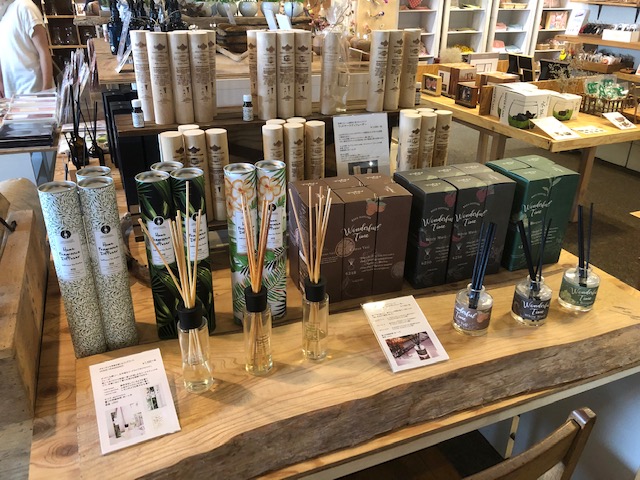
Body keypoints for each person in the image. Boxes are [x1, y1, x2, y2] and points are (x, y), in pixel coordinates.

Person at [0, 0, 54, 98]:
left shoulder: (25, 7)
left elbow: (43, 51)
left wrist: (47, 90)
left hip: (33, 92)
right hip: (13, 96)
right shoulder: (4, 15)